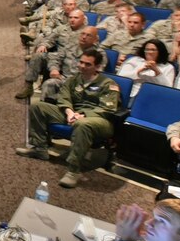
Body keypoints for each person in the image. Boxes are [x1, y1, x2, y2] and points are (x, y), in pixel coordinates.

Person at [16, 49, 122, 189]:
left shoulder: (108, 84)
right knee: (38, 107)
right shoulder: (74, 79)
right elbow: (64, 97)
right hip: (73, 114)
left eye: (88, 64)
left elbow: (108, 109)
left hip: (99, 120)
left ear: (97, 67)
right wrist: (70, 112)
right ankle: (39, 148)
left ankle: (73, 170)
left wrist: (82, 114)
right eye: (81, 62)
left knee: (82, 124)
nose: (82, 66)